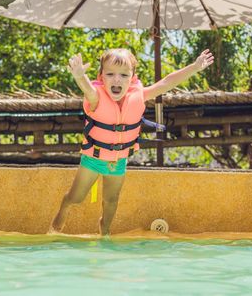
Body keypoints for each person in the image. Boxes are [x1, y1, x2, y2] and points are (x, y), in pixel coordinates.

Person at [50, 48, 214, 236]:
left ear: (132, 78)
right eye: (110, 74)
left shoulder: (140, 95)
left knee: (111, 201)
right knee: (75, 198)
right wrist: (80, 76)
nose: (116, 79)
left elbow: (167, 82)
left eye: (123, 75)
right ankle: (57, 225)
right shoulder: (96, 97)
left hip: (118, 160)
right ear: (101, 77)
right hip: (93, 158)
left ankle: (105, 233)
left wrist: (194, 67)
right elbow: (88, 89)